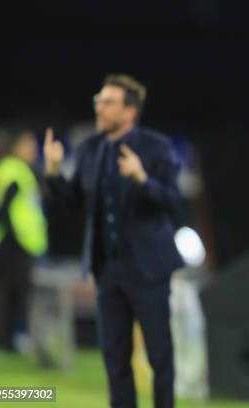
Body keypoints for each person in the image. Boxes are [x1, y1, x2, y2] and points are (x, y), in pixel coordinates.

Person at [44, 74, 183, 408]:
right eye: (98, 101)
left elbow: (172, 201)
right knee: (114, 357)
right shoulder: (90, 148)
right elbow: (74, 200)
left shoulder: (156, 146)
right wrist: (52, 172)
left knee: (159, 356)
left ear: (130, 111)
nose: (99, 108)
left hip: (148, 269)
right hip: (107, 270)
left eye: (107, 102)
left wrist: (142, 179)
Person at [0, 130, 47, 353]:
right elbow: (2, 209)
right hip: (13, 241)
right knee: (11, 292)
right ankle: (8, 338)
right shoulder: (12, 169)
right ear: (16, 147)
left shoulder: (22, 170)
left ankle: (9, 337)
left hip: (22, 241)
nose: (33, 149)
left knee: (15, 291)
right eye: (28, 144)